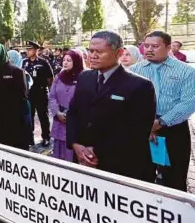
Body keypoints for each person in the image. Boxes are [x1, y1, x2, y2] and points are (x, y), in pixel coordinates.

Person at [66, 30, 156, 183]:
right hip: (82, 159)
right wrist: (76, 144)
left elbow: (137, 130)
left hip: (120, 165)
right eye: (90, 50)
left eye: (99, 52)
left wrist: (97, 151)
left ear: (118, 52)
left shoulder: (140, 85)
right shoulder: (85, 77)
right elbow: (74, 113)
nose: (92, 56)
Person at [130, 31, 195, 191]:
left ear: (168, 47)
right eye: (146, 46)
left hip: (173, 129)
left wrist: (160, 122)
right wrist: (144, 125)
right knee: (142, 175)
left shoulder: (186, 71)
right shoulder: (133, 71)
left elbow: (188, 102)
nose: (149, 49)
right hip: (141, 130)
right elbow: (129, 102)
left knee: (174, 177)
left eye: (155, 46)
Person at [49, 50, 84, 161]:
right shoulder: (58, 77)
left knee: (73, 155)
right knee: (59, 155)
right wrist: (57, 113)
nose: (65, 63)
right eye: (64, 60)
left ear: (76, 62)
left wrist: (71, 114)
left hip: (76, 122)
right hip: (60, 120)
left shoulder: (84, 78)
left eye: (69, 60)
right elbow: (52, 97)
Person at [22, 41, 54, 146]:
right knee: (29, 117)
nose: (28, 51)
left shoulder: (43, 62)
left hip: (40, 93)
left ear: (36, 50)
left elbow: (50, 79)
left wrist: (51, 93)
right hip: (29, 94)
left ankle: (46, 137)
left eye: (30, 49)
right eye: (27, 49)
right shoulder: (24, 62)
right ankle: (29, 137)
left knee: (43, 116)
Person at [8, 50, 34, 147]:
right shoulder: (4, 72)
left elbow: (24, 92)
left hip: (21, 108)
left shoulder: (22, 73)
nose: (9, 61)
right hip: (12, 110)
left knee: (22, 137)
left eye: (10, 59)